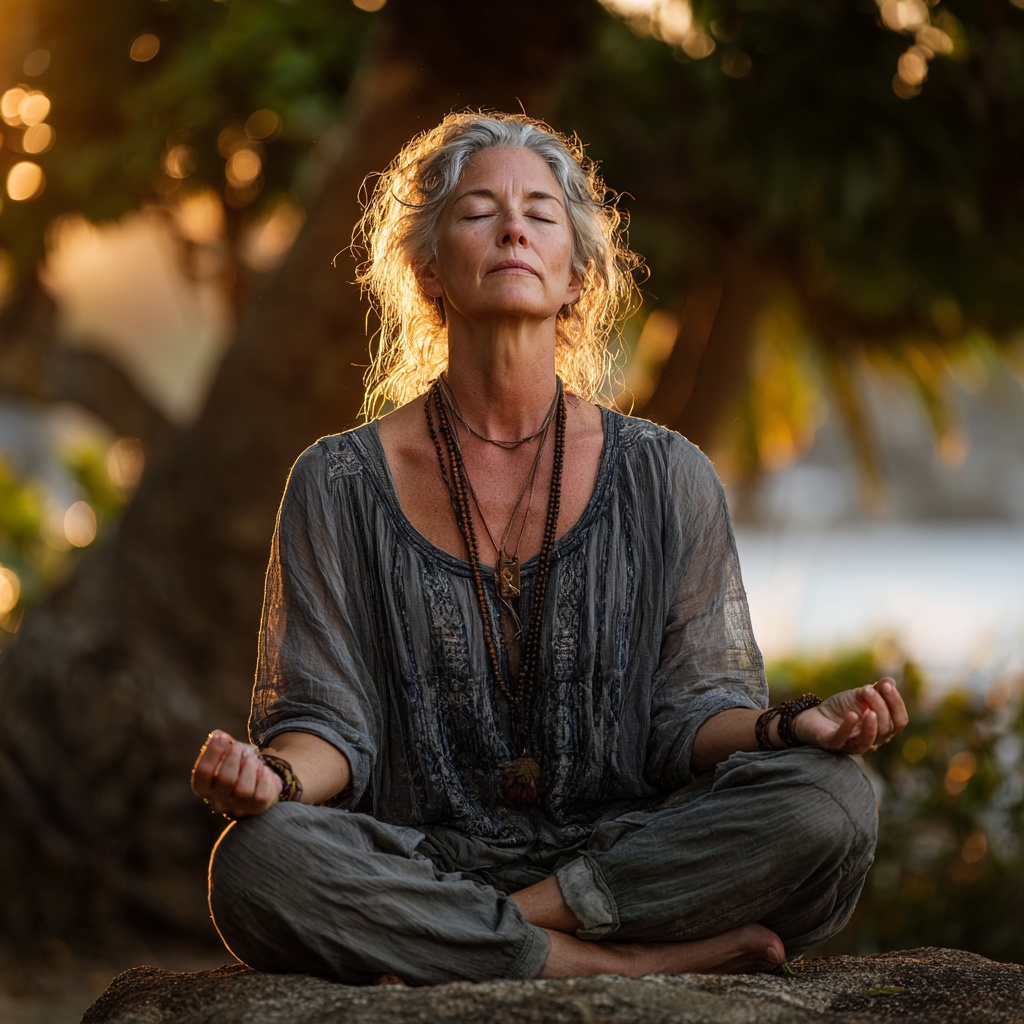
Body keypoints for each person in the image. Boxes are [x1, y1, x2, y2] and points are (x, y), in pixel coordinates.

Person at [191, 112, 908, 987]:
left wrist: (793, 725)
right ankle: (625, 967)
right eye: (479, 210)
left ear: (576, 277)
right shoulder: (337, 483)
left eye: (540, 212)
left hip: (623, 856)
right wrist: (269, 779)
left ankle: (492, 936)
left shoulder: (666, 473)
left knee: (830, 802)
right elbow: (328, 724)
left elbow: (692, 715)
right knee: (258, 862)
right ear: (426, 269)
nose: (513, 227)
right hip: (419, 852)